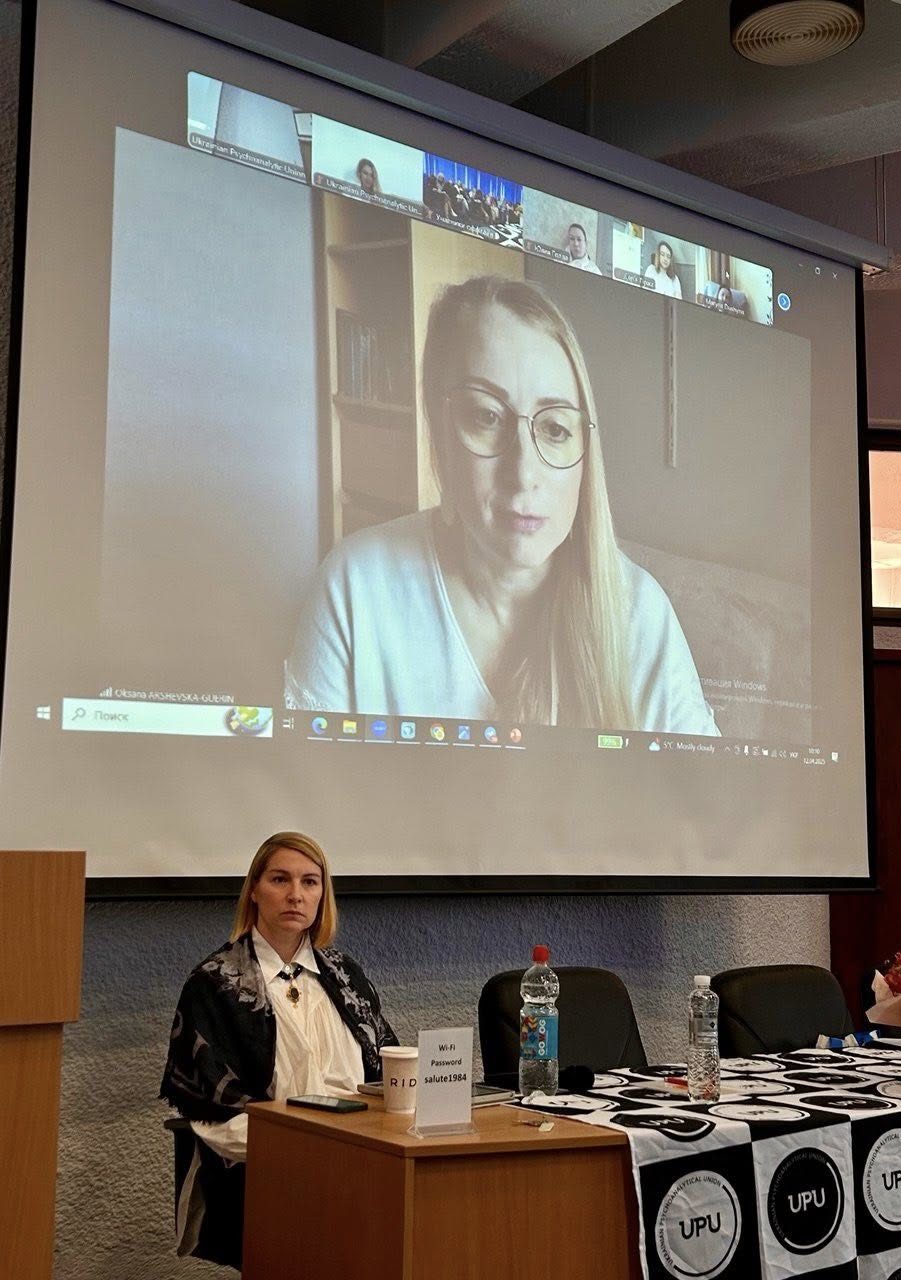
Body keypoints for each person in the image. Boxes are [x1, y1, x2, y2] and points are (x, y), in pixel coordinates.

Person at [286, 276, 717, 735]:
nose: (524, 473)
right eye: (487, 417)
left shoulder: (640, 615)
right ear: (439, 433)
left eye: (555, 429)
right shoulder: (355, 589)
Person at [160, 831, 397, 1269]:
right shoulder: (216, 983)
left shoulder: (346, 975)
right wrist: (311, 1152)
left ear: (323, 895)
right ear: (254, 890)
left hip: (364, 1164)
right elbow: (214, 1116)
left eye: (310, 882)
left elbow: (387, 1077)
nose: (295, 895)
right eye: (280, 879)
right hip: (270, 1174)